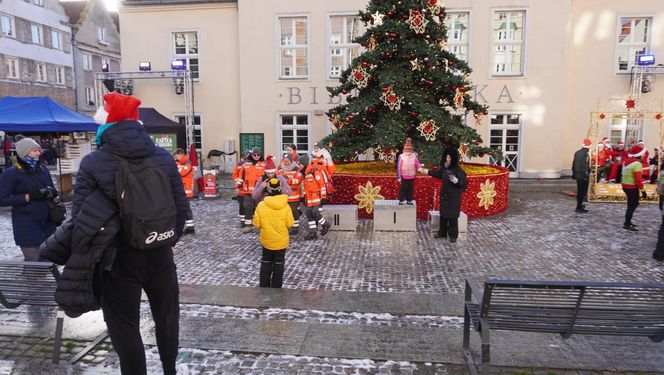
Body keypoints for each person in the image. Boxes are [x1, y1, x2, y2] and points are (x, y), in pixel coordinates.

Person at [74, 92, 190, 375]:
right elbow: (181, 208)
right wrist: (166, 240)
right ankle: (169, 370)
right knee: (166, 319)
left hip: (118, 260)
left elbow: (80, 218)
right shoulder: (162, 157)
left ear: (105, 125)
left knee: (125, 327)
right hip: (160, 254)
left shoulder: (94, 163)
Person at [0, 137, 58, 261]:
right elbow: (2, 199)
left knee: (48, 258)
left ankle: (40, 279)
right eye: (34, 151)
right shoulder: (12, 173)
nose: (38, 153)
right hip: (26, 223)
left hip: (47, 221)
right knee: (34, 260)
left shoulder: (42, 169)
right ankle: (34, 280)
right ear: (24, 153)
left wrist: (51, 192)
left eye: (38, 150)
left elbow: (52, 189)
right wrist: (27, 197)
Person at [419, 147, 467, 243]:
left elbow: (464, 184)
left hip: (453, 197)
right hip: (445, 195)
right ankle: (442, 233)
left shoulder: (458, 170)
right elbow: (437, 174)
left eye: (449, 157)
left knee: (452, 217)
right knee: (443, 215)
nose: (447, 159)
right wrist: (425, 171)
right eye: (446, 157)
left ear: (453, 158)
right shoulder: (445, 168)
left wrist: (456, 181)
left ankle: (453, 235)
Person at [253, 178, 294, 288]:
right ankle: (276, 287)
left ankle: (264, 287)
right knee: (279, 264)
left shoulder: (261, 205)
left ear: (268, 190)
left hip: (267, 241)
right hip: (281, 241)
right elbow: (290, 223)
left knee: (266, 262)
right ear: (280, 189)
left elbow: (256, 224)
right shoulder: (286, 206)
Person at [621, 144, 647, 231]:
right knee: (632, 205)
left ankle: (627, 222)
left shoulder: (627, 161)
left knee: (631, 204)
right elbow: (638, 180)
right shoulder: (637, 164)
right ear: (640, 154)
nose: (644, 155)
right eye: (643, 154)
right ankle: (627, 224)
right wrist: (643, 191)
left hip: (626, 186)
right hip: (632, 187)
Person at [301, 166, 331, 241]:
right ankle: (313, 233)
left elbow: (322, 185)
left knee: (315, 213)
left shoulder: (315, 172)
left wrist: (323, 196)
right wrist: (303, 197)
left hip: (317, 197)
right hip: (310, 199)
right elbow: (306, 188)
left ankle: (325, 224)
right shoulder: (306, 174)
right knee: (309, 214)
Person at [240, 149, 265, 233]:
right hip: (247, 191)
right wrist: (238, 186)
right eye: (255, 155)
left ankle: (260, 226)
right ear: (252, 155)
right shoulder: (245, 164)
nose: (256, 157)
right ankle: (248, 226)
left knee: (260, 208)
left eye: (258, 155)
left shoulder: (264, 164)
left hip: (259, 191)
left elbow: (267, 177)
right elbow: (241, 177)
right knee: (248, 207)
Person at [277, 154, 303, 235]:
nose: (286, 163)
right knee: (283, 211)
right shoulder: (280, 168)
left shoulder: (296, 169)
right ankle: (285, 225)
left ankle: (295, 227)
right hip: (283, 194)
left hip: (293, 194)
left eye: (287, 161)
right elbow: (276, 177)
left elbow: (299, 180)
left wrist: (288, 181)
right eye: (284, 161)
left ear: (291, 160)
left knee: (294, 211)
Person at [173, 148, 195, 234]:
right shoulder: (183, 163)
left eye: (176, 156)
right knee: (185, 209)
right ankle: (189, 227)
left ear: (181, 154)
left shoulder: (187, 163)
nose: (176, 158)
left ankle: (190, 228)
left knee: (186, 209)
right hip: (183, 190)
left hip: (186, 190)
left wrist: (177, 163)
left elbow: (182, 173)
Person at [396, 138, 421, 205]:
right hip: (403, 176)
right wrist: (399, 177)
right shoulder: (401, 156)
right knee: (403, 188)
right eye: (406, 149)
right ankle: (401, 200)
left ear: (411, 149)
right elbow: (398, 167)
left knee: (410, 188)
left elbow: (417, 164)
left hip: (412, 175)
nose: (408, 150)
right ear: (404, 149)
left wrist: (420, 168)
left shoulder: (414, 156)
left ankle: (409, 200)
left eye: (409, 149)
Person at [572, 139, 591, 213]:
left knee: (580, 191)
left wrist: (573, 174)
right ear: (589, 146)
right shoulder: (585, 154)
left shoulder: (577, 152)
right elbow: (584, 166)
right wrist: (586, 175)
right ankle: (579, 207)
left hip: (577, 174)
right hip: (582, 175)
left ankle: (580, 205)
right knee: (582, 192)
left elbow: (573, 164)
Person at [232, 151, 251, 227]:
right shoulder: (239, 164)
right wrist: (239, 182)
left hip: (249, 188)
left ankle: (249, 220)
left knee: (249, 205)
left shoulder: (252, 164)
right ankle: (242, 221)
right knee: (242, 205)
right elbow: (234, 175)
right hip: (241, 188)